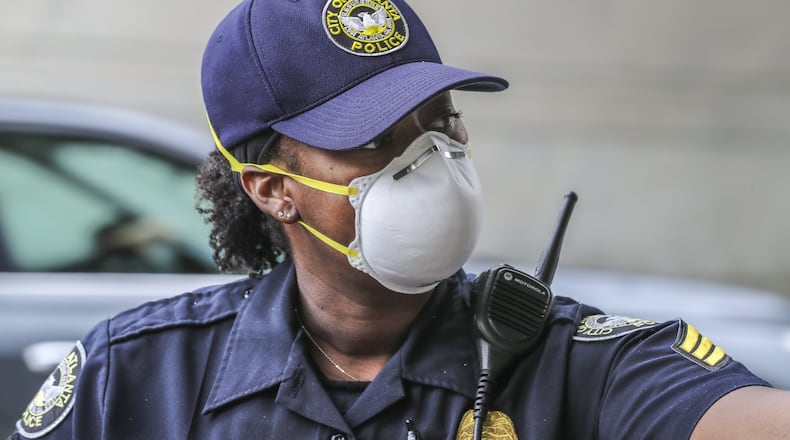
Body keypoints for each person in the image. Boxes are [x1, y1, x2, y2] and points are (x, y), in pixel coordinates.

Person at [9, 0, 790, 438]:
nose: (433, 163)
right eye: (375, 141)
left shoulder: (573, 364)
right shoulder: (137, 378)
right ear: (271, 189)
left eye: (439, 125)